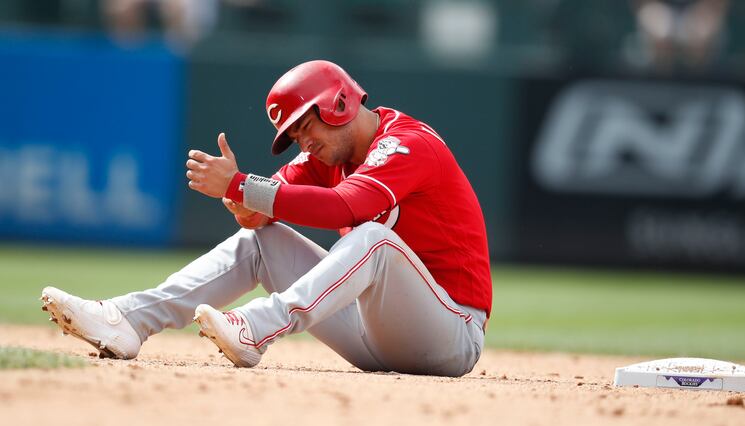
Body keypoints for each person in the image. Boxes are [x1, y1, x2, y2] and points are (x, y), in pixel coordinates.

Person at [40, 60, 491, 377]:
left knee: (373, 238)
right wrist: (246, 208)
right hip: (372, 332)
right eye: (293, 134)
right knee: (259, 243)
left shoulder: (409, 143)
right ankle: (128, 320)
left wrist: (241, 187)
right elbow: (267, 202)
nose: (302, 142)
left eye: (304, 126)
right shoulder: (327, 154)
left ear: (339, 104)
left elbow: (345, 207)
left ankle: (257, 328)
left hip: (451, 333)